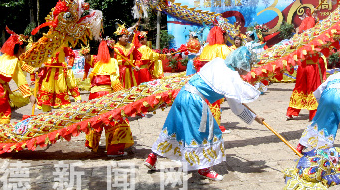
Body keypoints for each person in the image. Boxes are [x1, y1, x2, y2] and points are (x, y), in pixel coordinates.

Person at [144, 46, 265, 180]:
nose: (249, 68)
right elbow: (237, 107)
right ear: (242, 64)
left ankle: (152, 157)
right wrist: (254, 118)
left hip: (183, 94)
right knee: (207, 133)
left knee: (174, 128)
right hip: (194, 100)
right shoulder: (231, 78)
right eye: (249, 65)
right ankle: (203, 168)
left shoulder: (218, 62)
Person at [84, 40, 134, 157]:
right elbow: (114, 80)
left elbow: (92, 81)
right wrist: (122, 95)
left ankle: (92, 144)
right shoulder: (113, 61)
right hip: (106, 94)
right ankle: (114, 149)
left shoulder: (98, 63)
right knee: (115, 120)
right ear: (111, 52)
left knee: (96, 119)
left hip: (94, 94)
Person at [0, 27, 35, 125]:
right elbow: (20, 80)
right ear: (20, 48)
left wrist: (33, 70)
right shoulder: (13, 61)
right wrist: (30, 96)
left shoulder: (9, 56)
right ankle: (0, 129)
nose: (26, 49)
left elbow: (21, 64)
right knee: (2, 111)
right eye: (25, 46)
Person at [286, 8, 322, 121]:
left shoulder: (299, 40)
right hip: (312, 67)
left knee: (299, 88)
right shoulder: (316, 40)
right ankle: (313, 114)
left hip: (302, 67)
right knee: (313, 89)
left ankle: (291, 111)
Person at [35, 47, 81, 112]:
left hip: (60, 70)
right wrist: (40, 64)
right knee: (46, 89)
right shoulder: (45, 45)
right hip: (48, 69)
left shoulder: (63, 45)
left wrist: (70, 64)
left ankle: (65, 110)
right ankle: (46, 109)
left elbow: (71, 54)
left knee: (62, 88)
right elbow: (39, 55)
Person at [113, 24, 141, 90]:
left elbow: (138, 57)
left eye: (127, 37)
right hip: (119, 72)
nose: (126, 38)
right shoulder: (115, 48)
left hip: (130, 72)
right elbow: (112, 61)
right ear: (119, 38)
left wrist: (137, 65)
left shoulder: (132, 46)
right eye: (125, 37)